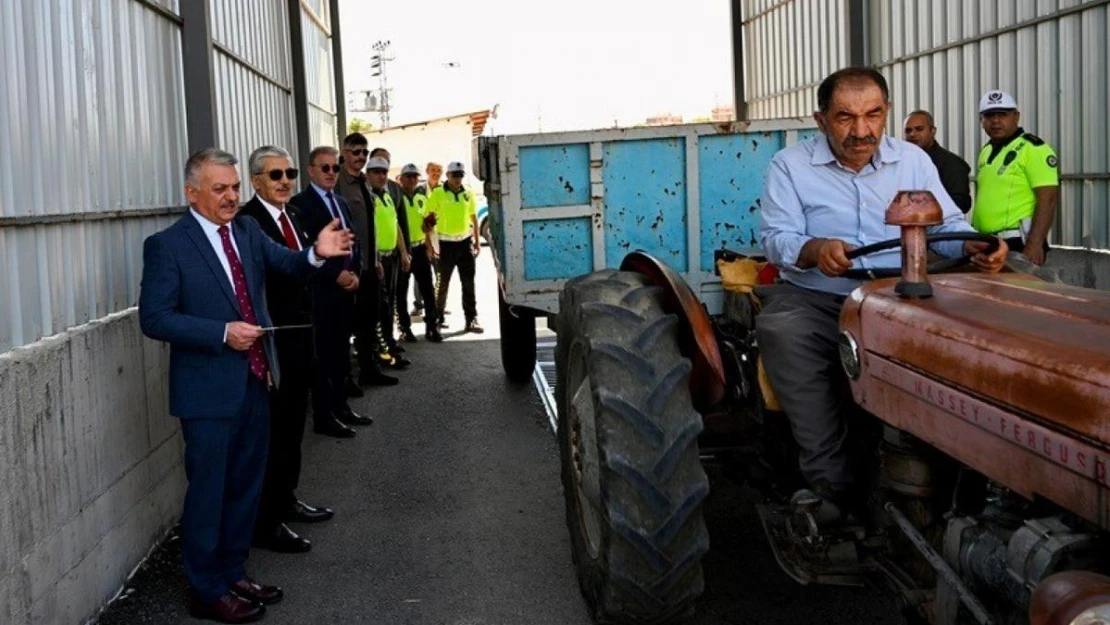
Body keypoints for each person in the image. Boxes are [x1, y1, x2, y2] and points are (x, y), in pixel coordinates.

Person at [757, 68, 1007, 519]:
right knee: (783, 333)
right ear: (820, 119)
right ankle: (830, 486)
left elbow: (947, 227)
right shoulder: (789, 166)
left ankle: (969, 479)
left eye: (873, 115)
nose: (861, 131)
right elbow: (776, 238)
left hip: (904, 290)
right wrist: (814, 249)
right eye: (844, 117)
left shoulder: (912, 160)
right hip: (819, 295)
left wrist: (973, 241)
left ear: (886, 112)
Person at [138, 147, 352, 623]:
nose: (232, 196)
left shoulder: (249, 231)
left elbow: (289, 265)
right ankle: (205, 588)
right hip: (207, 393)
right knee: (210, 491)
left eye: (235, 187)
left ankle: (232, 571)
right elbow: (154, 318)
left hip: (257, 380)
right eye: (220, 189)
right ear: (192, 193)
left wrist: (317, 253)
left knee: (244, 486)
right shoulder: (167, 245)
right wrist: (221, 332)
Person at [237, 146, 334, 556]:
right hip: (273, 340)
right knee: (275, 433)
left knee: (295, 425)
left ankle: (287, 498)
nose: (285, 182)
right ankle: (267, 520)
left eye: (290, 173)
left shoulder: (293, 214)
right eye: (276, 175)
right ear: (256, 180)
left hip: (301, 334)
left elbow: (304, 265)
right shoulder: (247, 222)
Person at [294, 146, 373, 439]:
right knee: (324, 357)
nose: (330, 173)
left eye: (334, 168)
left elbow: (354, 241)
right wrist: (335, 274)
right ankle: (324, 416)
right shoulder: (300, 204)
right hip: (321, 294)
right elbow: (302, 251)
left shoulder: (340, 201)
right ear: (311, 170)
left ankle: (341, 408)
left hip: (346, 291)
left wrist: (356, 271)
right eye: (324, 168)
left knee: (341, 354)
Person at [335, 133, 398, 387]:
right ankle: (345, 379)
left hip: (370, 265)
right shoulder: (338, 182)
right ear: (345, 152)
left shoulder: (364, 182)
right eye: (355, 151)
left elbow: (369, 225)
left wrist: (376, 261)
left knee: (369, 321)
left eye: (364, 152)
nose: (360, 156)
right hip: (350, 268)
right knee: (347, 324)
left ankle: (369, 370)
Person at [972, 90, 1060, 266]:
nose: (995, 121)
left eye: (1002, 115)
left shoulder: (1034, 148)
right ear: (981, 121)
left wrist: (1034, 244)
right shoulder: (986, 151)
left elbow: (1048, 199)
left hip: (1018, 243)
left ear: (1016, 117)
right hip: (988, 244)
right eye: (989, 115)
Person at [427, 161, 484, 334]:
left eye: (460, 175)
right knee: (442, 284)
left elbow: (473, 217)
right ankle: (437, 318)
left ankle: (471, 318)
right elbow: (428, 220)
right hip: (445, 244)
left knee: (468, 283)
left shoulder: (467, 193)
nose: (458, 179)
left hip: (464, 242)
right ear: (448, 176)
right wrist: (429, 245)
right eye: (454, 175)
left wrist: (477, 241)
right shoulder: (438, 193)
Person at [367, 156, 413, 364]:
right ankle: (382, 351)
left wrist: (403, 252)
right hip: (376, 260)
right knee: (378, 308)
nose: (381, 176)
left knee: (389, 305)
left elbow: (396, 227)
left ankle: (389, 344)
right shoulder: (367, 198)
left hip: (391, 259)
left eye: (384, 172)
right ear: (368, 174)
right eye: (376, 172)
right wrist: (375, 258)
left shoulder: (386, 196)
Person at [397, 163, 443, 342]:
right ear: (401, 179)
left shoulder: (421, 198)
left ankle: (431, 327)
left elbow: (427, 226)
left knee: (428, 290)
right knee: (402, 291)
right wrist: (401, 252)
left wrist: (429, 245)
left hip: (420, 248)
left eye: (414, 176)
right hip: (402, 250)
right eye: (408, 176)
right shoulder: (396, 198)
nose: (412, 180)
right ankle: (405, 328)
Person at [902, 110, 972, 213]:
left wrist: (924, 211)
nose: (912, 134)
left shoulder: (953, 164)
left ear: (933, 131)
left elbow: (961, 204)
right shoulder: (901, 163)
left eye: (919, 129)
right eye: (908, 130)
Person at [414, 161, 445, 317]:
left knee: (440, 273)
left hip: (440, 237)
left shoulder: (444, 190)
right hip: (423, 236)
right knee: (422, 273)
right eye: (433, 170)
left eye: (439, 170)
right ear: (427, 171)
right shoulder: (419, 190)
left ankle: (438, 305)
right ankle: (419, 305)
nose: (436, 173)